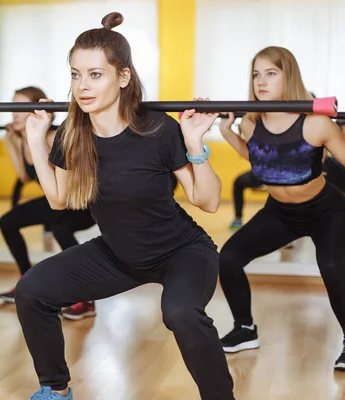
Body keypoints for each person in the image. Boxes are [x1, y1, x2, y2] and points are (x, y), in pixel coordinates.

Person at [16, 12, 235, 400]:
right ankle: (55, 389)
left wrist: (194, 141)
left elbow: (209, 201)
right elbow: (59, 198)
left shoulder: (158, 128)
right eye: (75, 74)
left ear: (123, 77)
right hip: (118, 254)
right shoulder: (72, 133)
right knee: (32, 290)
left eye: (95, 74)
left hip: (181, 251)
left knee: (181, 313)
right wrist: (36, 139)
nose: (82, 86)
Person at [216, 46, 345, 371]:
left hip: (326, 211)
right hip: (280, 214)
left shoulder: (317, 124)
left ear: (289, 76)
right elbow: (257, 158)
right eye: (256, 74)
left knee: (332, 267)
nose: (261, 81)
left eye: (271, 73)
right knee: (228, 257)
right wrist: (226, 133)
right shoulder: (250, 123)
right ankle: (245, 329)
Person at [0, 87, 97, 321]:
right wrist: (12, 142)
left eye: (20, 107)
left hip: (80, 201)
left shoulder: (53, 137)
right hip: (56, 201)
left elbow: (66, 185)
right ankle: (26, 282)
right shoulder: (24, 139)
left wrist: (34, 139)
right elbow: (24, 177)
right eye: (13, 107)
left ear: (35, 110)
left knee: (61, 228)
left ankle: (85, 298)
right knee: (7, 222)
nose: (15, 114)